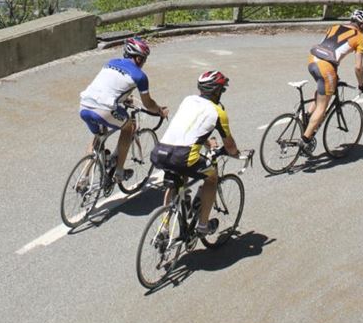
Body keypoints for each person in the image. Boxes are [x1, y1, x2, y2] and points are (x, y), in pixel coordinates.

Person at [150, 70, 247, 236]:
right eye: (222, 90)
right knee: (212, 177)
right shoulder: (218, 112)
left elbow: (190, 127)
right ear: (217, 91)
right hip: (184, 157)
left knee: (177, 179)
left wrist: (207, 142)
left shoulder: (188, 100)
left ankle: (164, 228)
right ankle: (202, 226)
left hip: (160, 152)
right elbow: (229, 146)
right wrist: (236, 153)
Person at [79, 37, 168, 183]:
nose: (144, 63)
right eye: (144, 59)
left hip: (84, 105)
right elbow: (148, 104)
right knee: (129, 127)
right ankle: (119, 172)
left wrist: (124, 99)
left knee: (98, 138)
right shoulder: (139, 76)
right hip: (104, 109)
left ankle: (83, 178)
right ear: (139, 58)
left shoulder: (110, 63)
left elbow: (110, 86)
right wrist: (159, 110)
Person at [299, 8, 363, 155]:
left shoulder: (334, 27)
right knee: (322, 108)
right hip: (326, 67)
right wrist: (361, 84)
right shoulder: (360, 37)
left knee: (323, 88)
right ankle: (304, 141)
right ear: (362, 25)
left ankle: (306, 117)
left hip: (312, 60)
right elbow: (358, 67)